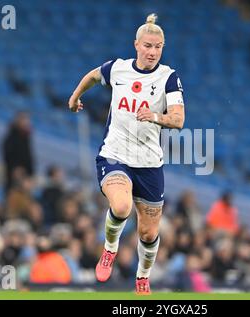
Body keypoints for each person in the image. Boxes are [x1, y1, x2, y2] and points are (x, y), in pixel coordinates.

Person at [68, 13, 185, 295]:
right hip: (114, 155)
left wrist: (155, 116)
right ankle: (109, 250)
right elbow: (93, 76)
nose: (152, 52)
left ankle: (142, 277)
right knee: (121, 207)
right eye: (147, 45)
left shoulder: (168, 77)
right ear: (136, 44)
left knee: (148, 233)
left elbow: (178, 120)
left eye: (157, 47)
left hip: (149, 163)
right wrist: (75, 97)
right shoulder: (118, 69)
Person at [1, 112, 35, 192]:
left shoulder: (26, 138)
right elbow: (8, 155)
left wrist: (30, 173)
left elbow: (29, 157)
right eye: (24, 120)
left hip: (25, 174)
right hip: (14, 175)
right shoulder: (11, 137)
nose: (27, 123)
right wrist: (16, 168)